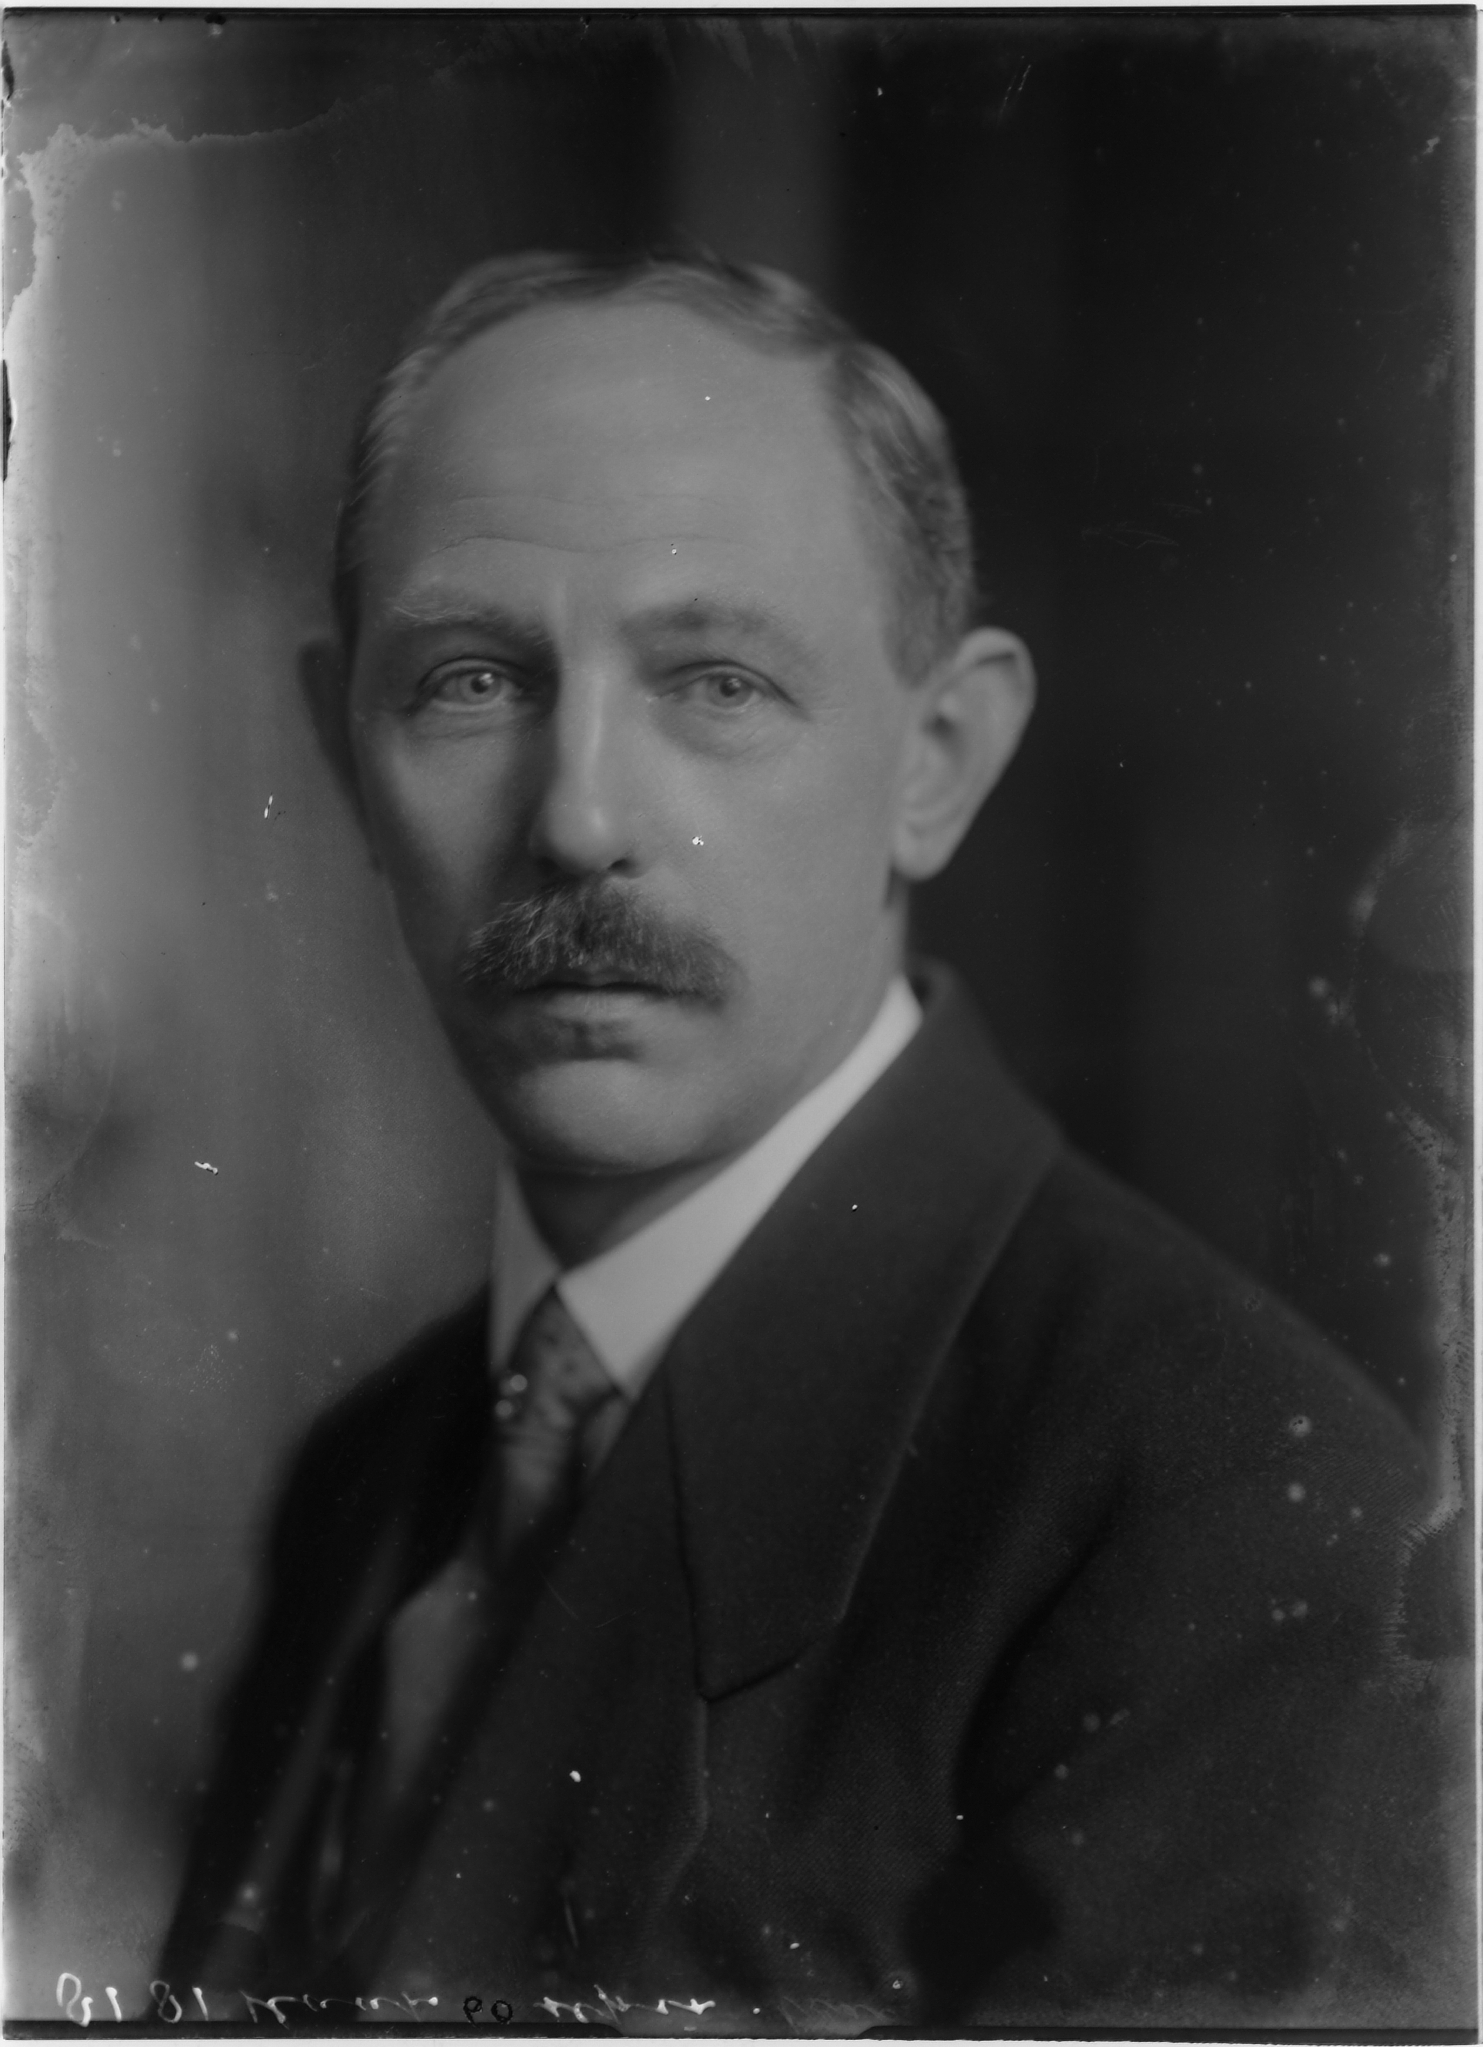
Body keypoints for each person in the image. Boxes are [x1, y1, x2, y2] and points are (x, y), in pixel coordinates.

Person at [160, 252, 1447, 2032]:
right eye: (468, 681)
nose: (579, 817)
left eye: (718, 683)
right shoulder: (369, 1479)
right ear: (339, 752)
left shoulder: (1226, 1519)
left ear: (939, 761)